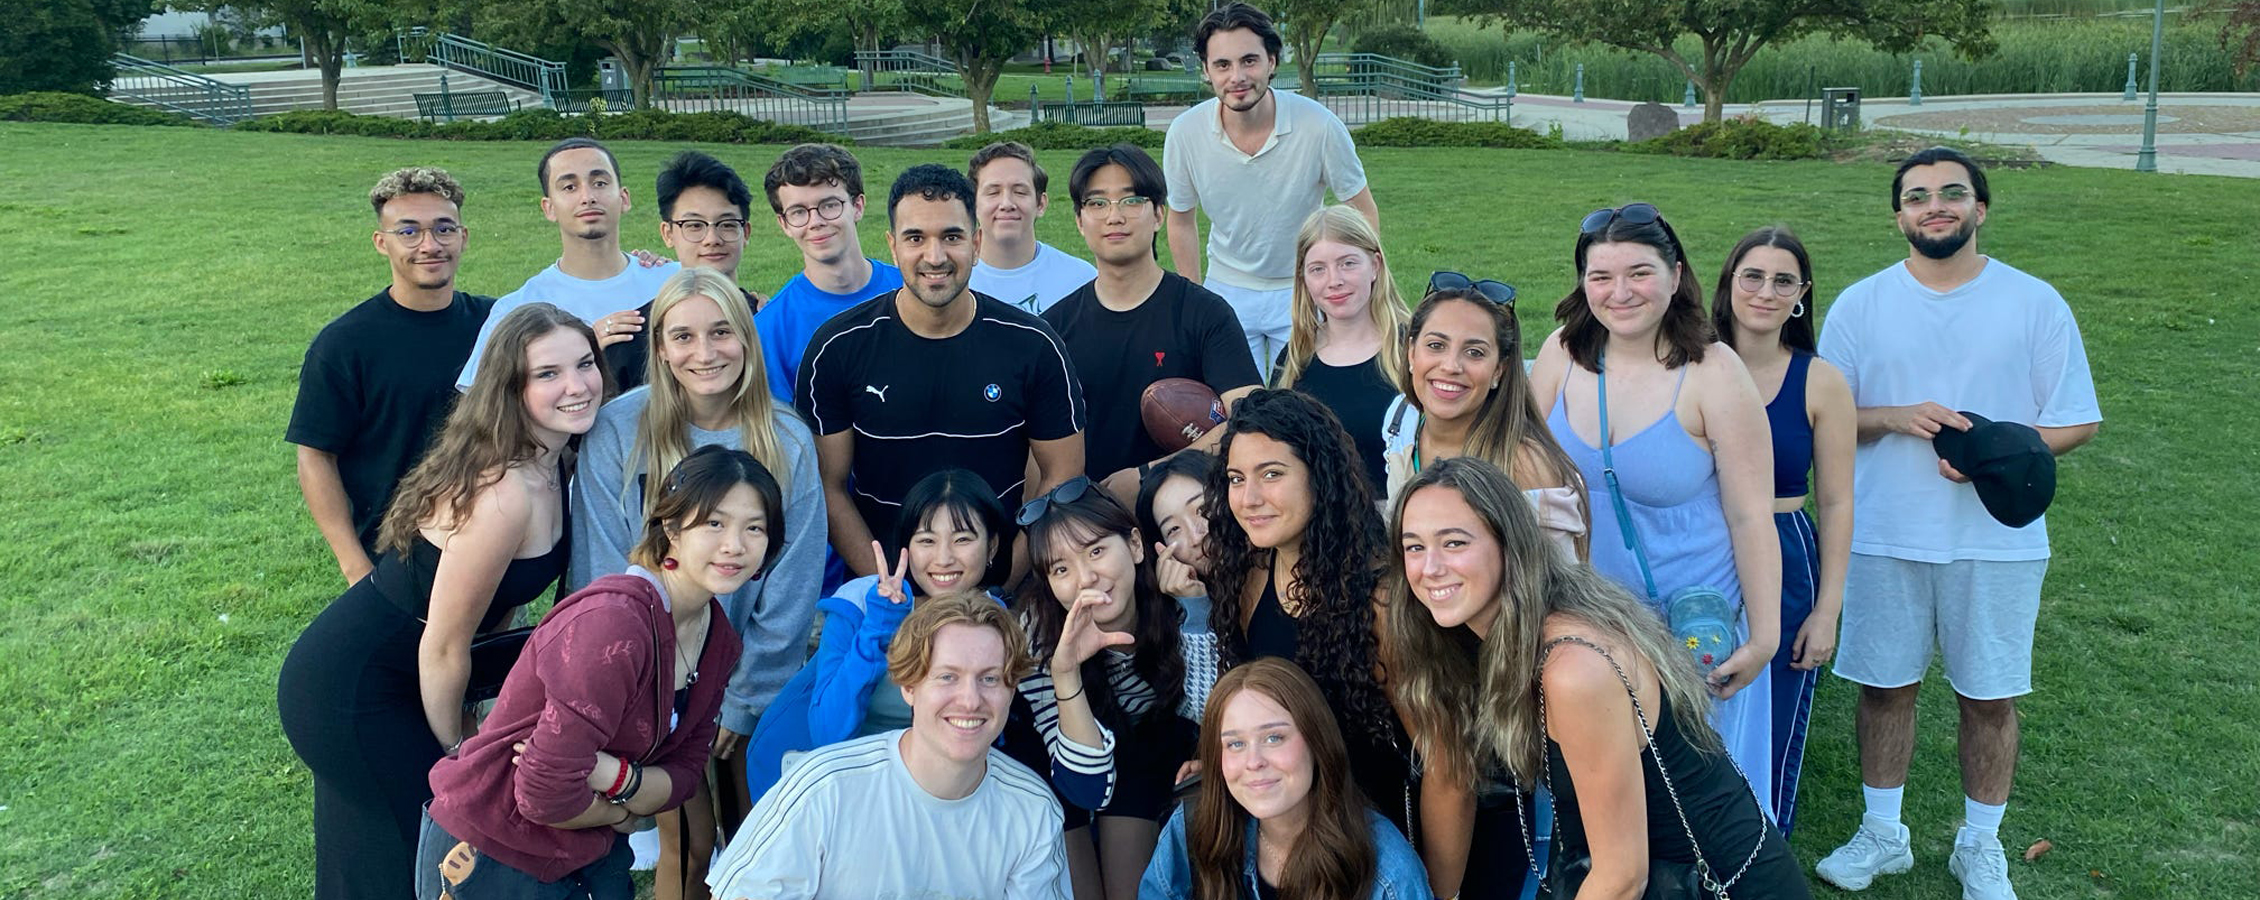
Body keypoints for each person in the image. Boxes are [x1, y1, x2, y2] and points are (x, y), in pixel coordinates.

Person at [1813, 148, 2100, 900]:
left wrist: (1993, 453)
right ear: (1899, 216)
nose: (1934, 206)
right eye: (1917, 196)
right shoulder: (1862, 304)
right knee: (1884, 689)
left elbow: (2076, 420)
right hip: (1883, 532)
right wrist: (1896, 417)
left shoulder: (2033, 302)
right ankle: (1884, 833)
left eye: (1951, 194)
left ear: (1980, 209)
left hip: (1997, 541)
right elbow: (1829, 417)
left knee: (1989, 698)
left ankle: (1980, 844)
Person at [278, 303, 607, 900]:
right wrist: (460, 747)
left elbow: (491, 611)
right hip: (355, 690)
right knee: (426, 853)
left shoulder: (551, 461)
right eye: (548, 374)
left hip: (408, 674)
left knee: (372, 864)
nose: (577, 385)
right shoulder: (502, 494)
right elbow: (445, 644)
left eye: (585, 364)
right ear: (510, 388)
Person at [1391, 457, 1811, 899]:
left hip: (1715, 885)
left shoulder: (1572, 668)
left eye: (1454, 543)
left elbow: (1623, 877)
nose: (1429, 567)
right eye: (1414, 547)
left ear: (1508, 544)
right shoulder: (1494, 633)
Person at [418, 446, 775, 899]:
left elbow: (684, 774)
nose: (734, 545)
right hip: (494, 849)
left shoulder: (718, 638)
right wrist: (624, 814)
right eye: (714, 523)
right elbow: (543, 793)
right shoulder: (614, 627)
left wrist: (612, 776)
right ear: (670, 526)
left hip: (588, 853)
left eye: (755, 528)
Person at [570, 268, 824, 899]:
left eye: (721, 333)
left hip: (745, 680)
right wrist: (642, 693)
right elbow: (603, 570)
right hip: (649, 680)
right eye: (682, 336)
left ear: (747, 338)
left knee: (759, 839)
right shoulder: (617, 430)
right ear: (658, 346)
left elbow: (790, 584)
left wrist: (739, 699)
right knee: (688, 847)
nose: (704, 353)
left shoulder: (786, 436)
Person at [1530, 202, 1781, 810]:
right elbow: (1524, 469)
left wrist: (1766, 638)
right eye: (1601, 276)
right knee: (1604, 796)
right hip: (1586, 618)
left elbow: (1752, 515)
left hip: (1690, 626)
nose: (1620, 293)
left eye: (1639, 273)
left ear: (1675, 274)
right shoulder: (1562, 353)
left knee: (1694, 806)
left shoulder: (1714, 373)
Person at [795, 164, 1085, 580]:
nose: (935, 257)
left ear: (977, 243)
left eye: (952, 237)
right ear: (893, 247)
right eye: (916, 238)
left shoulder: (1033, 344)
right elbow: (829, 487)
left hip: (1005, 587)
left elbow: (1062, 477)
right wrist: (887, 589)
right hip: (882, 590)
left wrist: (1003, 585)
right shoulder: (837, 348)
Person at [708, 592, 1070, 900]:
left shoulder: (1033, 810)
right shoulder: (823, 787)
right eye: (947, 677)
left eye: (990, 678)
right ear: (909, 687)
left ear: (1012, 690)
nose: (970, 699)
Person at [1198, 389, 1417, 843]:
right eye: (1236, 479)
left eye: (1271, 474)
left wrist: (1436, 887)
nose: (1249, 498)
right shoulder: (1249, 580)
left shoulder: (1382, 600)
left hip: (1379, 840)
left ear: (1321, 477)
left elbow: (1446, 768)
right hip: (1285, 831)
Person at [743, 468, 1014, 800]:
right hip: (808, 775)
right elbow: (828, 732)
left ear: (992, 546)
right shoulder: (860, 602)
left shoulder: (994, 621)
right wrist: (880, 625)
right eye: (926, 540)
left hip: (912, 786)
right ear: (906, 548)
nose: (943, 558)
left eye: (963, 539)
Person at [1708, 226, 1854, 840]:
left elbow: (1839, 500)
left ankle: (1761, 855)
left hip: (1786, 547)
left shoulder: (1818, 380)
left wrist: (1827, 612)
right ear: (1730, 283)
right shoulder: (1692, 363)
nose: (1765, 292)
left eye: (1783, 281)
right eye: (1753, 276)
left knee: (1772, 713)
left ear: (1801, 294)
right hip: (1706, 545)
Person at [289, 166, 494, 586]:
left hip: (490, 546)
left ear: (464, 237)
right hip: (390, 556)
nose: (429, 245)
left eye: (443, 229)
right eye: (409, 232)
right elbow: (315, 456)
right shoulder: (344, 344)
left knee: (489, 653)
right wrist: (354, 566)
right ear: (381, 243)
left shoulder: (497, 324)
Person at [1164, 2, 1378, 380]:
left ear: (1272, 62)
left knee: (1304, 411)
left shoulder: (1320, 126)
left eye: (1250, 61)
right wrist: (1194, 299)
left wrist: (1355, 284)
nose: (1237, 77)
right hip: (1224, 290)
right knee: (1233, 413)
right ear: (1205, 70)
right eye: (1222, 65)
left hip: (1302, 290)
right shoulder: (1184, 133)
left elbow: (1362, 212)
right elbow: (1181, 220)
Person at [1017, 478, 1197, 900]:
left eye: (1096, 550)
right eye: (1061, 569)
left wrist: (1198, 612)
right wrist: (1065, 672)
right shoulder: (1038, 634)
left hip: (1146, 750)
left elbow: (1208, 716)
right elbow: (1084, 786)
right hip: (1057, 762)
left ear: (1135, 546)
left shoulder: (1179, 602)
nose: (1086, 578)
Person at [1045, 143, 1261, 483]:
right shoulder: (1053, 330)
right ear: (1079, 220)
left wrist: (1148, 477)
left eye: (1131, 201)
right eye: (1097, 203)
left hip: (1191, 513)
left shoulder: (1205, 313)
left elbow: (1251, 418)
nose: (1114, 216)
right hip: (1089, 519)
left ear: (1159, 214)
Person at [1139, 658, 1433, 900]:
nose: (1253, 762)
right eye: (1235, 744)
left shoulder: (1386, 868)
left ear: (1317, 742)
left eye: (1274, 737)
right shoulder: (1193, 827)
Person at [1380, 275, 1589, 563]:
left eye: (1474, 352)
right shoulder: (1401, 422)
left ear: (1499, 370)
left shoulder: (1523, 464)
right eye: (1436, 345)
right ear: (1411, 352)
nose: (1451, 366)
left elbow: (1560, 589)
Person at [459, 138, 680, 390]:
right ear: (549, 208)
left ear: (624, 198)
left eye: (599, 183)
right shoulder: (518, 307)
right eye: (569, 187)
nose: (587, 197)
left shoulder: (672, 280)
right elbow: (485, 408)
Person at [753, 143, 906, 404]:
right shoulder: (771, 329)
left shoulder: (909, 289)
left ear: (857, 206)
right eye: (798, 212)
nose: (816, 222)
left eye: (829, 205)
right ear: (784, 224)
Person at [603, 151, 766, 393]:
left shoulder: (768, 320)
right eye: (694, 226)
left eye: (728, 225)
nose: (712, 239)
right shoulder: (631, 342)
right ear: (667, 233)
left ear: (747, 233)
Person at [1271, 205, 1409, 492]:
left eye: (1348, 263)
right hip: (1322, 525)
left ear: (1375, 265)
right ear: (1304, 279)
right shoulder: (1295, 359)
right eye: (1318, 269)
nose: (1334, 280)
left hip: (1400, 521)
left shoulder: (1412, 348)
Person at [969, 140, 1097, 314]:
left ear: (1041, 204)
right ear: (973, 204)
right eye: (993, 192)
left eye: (1020, 192)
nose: (1006, 203)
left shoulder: (1081, 281)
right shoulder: (954, 284)